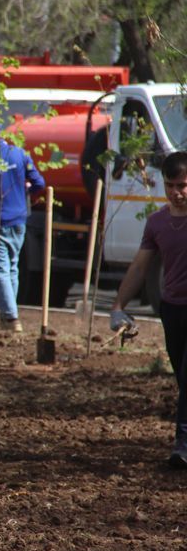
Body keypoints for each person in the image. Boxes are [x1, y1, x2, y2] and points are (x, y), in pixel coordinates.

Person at [110, 151, 187, 468]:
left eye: (183, 185)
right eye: (170, 185)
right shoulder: (157, 223)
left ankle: (183, 446)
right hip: (172, 309)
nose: (176, 192)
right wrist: (118, 306)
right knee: (182, 378)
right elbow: (140, 267)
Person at [0, 115, 46, 332]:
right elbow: (39, 183)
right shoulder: (19, 153)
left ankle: (11, 316)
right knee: (12, 267)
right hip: (19, 218)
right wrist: (26, 193)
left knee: (1, 269)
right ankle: (8, 316)